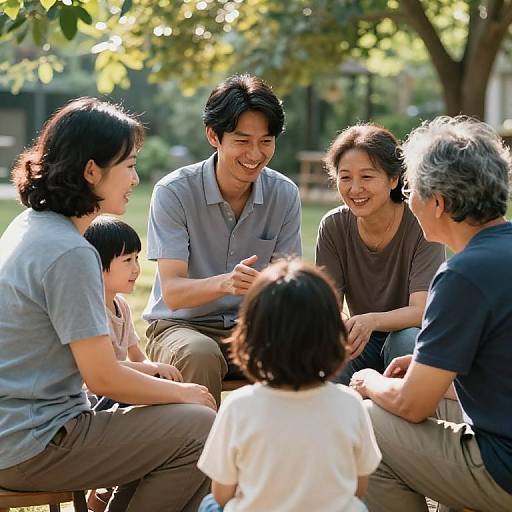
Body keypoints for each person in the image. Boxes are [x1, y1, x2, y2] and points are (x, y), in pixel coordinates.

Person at [0, 97, 216, 512]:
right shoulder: (69, 251)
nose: (135, 178)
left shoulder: (30, 224)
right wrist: (185, 392)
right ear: (91, 170)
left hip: (18, 434)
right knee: (202, 429)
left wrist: (162, 385)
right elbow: (103, 379)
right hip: (34, 444)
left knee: (185, 429)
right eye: (129, 165)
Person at [350, 116, 512, 512]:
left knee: (365, 419)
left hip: (502, 468)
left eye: (410, 190)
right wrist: (432, 367)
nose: (408, 201)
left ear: (438, 202)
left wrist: (368, 381)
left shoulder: (463, 274)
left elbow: (411, 404)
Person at [143, 74, 302, 405]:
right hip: (181, 328)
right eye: (242, 141)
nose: (255, 154)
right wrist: (226, 284)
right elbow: (173, 293)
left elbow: (289, 287)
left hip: (253, 329)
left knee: (299, 351)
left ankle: (276, 455)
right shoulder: (174, 193)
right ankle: (198, 455)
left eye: (266, 141)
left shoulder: (284, 194)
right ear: (213, 136)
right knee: (199, 353)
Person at [196, 259, 381, 512]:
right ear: (333, 335)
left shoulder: (238, 406)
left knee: (209, 505)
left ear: (251, 336)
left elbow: (221, 494)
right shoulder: (351, 403)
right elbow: (358, 489)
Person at [315, 124, 444, 384]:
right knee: (325, 354)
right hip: (362, 339)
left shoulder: (421, 222)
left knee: (406, 339)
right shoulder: (333, 226)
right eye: (345, 177)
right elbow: (328, 307)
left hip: (411, 338)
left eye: (367, 177)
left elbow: (422, 311)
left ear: (394, 179)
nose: (354, 189)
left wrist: (371, 321)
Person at [83, 216, 184, 512]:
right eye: (127, 260)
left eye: (137, 258)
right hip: (92, 398)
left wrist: (157, 374)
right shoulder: (90, 308)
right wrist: (153, 373)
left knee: (162, 398)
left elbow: (137, 357)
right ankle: (104, 491)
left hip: (114, 389)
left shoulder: (122, 307)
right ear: (97, 266)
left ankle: (104, 494)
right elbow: (108, 368)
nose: (136, 268)